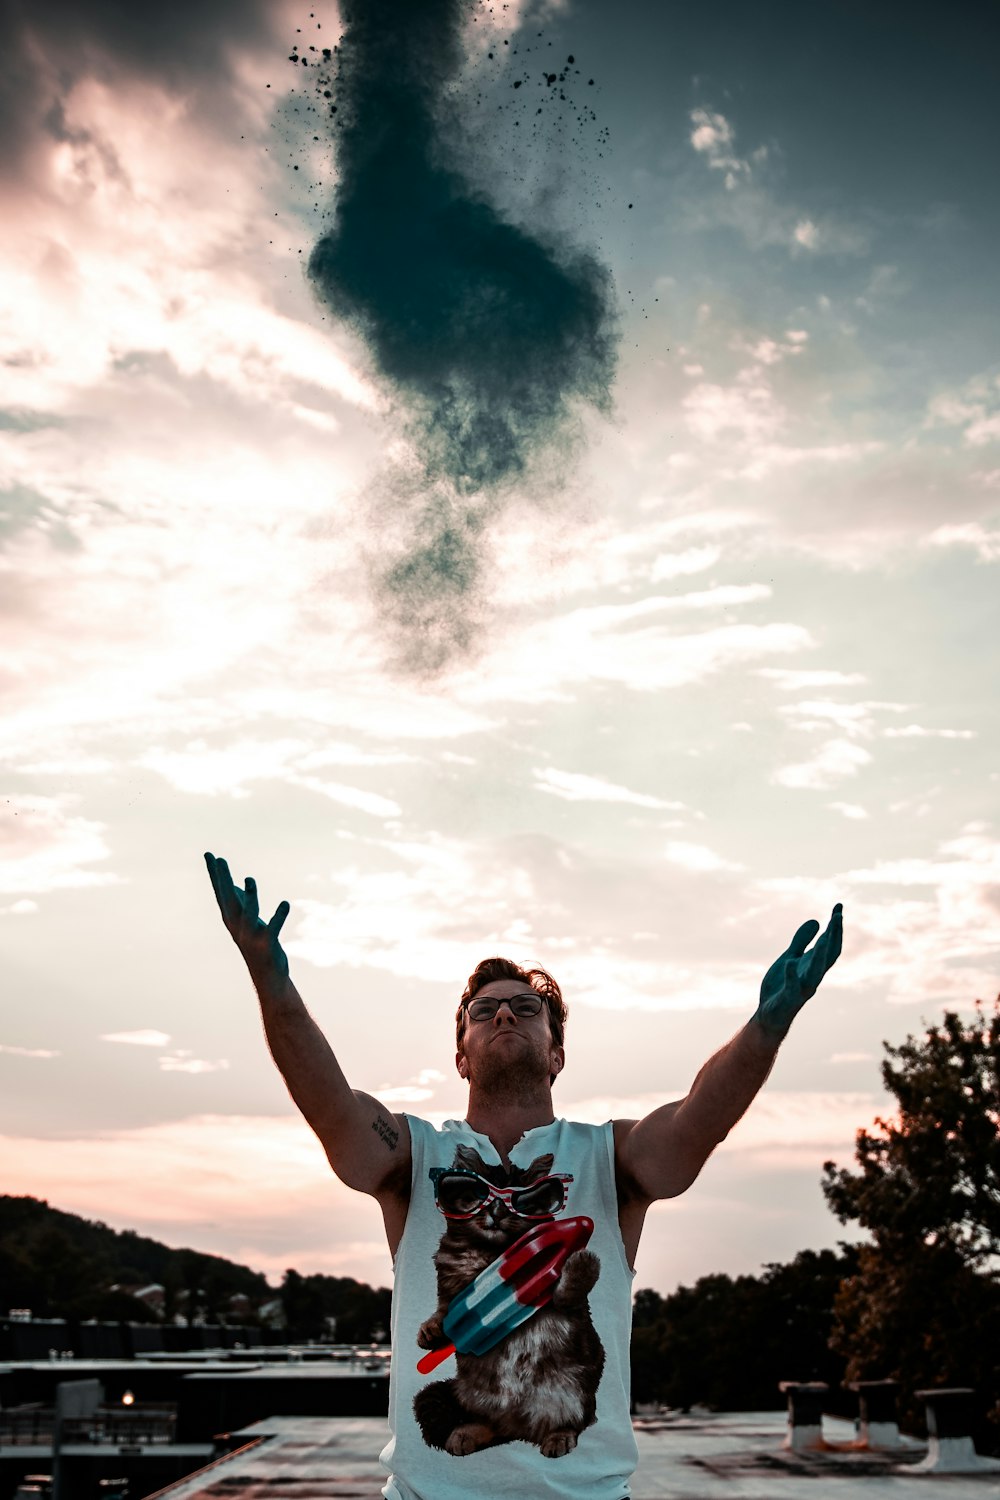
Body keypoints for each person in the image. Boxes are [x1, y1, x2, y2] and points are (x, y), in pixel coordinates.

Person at [204, 851, 842, 1500]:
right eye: (484, 1011)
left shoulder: (610, 1156)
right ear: (460, 1056)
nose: (504, 1015)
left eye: (525, 1008)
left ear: (557, 1052)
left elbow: (695, 1123)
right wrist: (270, 981)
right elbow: (332, 1105)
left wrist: (767, 1027)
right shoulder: (413, 1155)